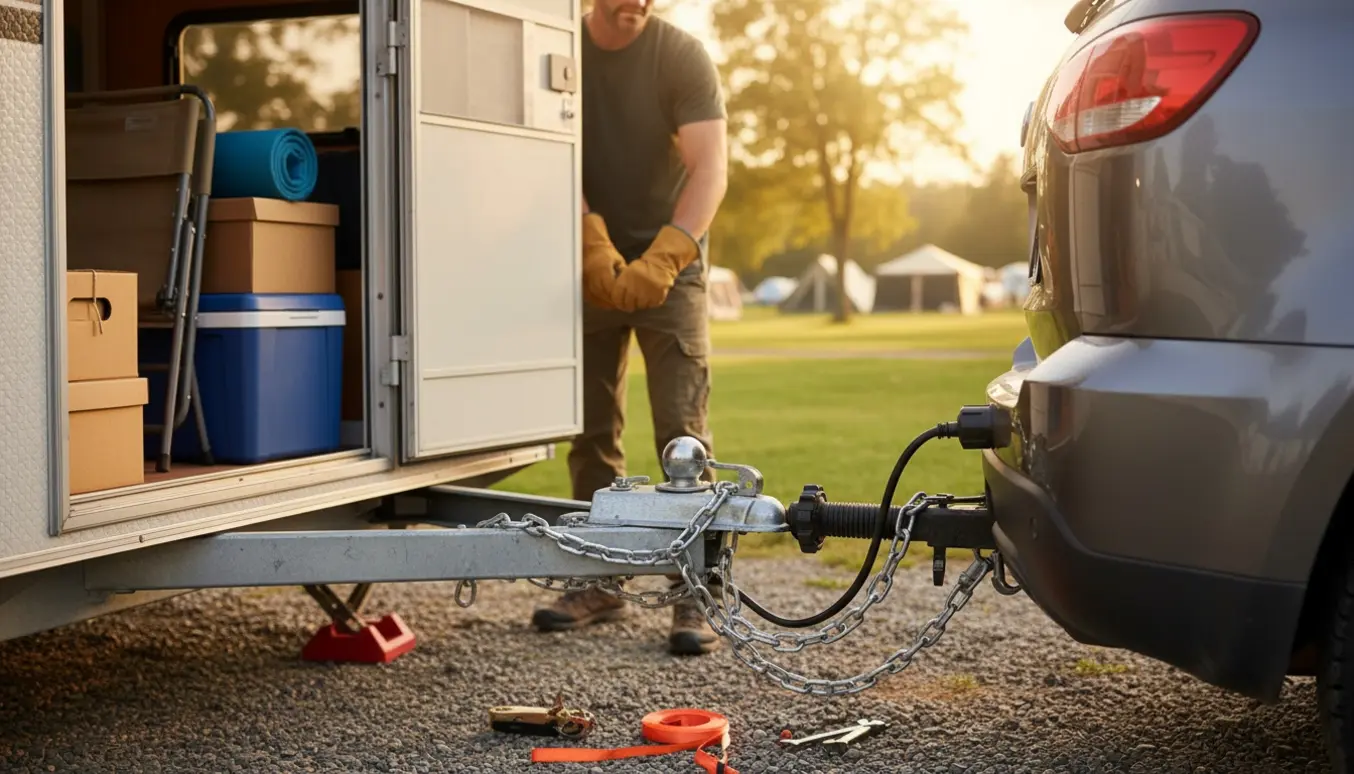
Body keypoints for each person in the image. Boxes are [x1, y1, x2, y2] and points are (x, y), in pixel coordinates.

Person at [528, 0, 729, 656]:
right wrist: (592, 241)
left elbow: (709, 167)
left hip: (672, 267)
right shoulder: (560, 51)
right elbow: (546, 151)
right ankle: (600, 579)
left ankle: (692, 589)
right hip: (588, 258)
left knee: (682, 434)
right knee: (591, 434)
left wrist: (666, 257)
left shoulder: (681, 56)